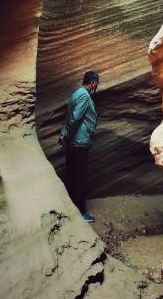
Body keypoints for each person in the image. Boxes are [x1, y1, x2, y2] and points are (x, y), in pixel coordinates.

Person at [59, 69, 99, 222]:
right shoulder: (84, 95)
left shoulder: (75, 94)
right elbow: (75, 118)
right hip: (79, 142)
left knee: (71, 176)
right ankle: (80, 212)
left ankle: (71, 209)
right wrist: (68, 136)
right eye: (96, 84)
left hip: (74, 142)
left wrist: (63, 134)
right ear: (93, 82)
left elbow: (68, 117)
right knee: (78, 178)